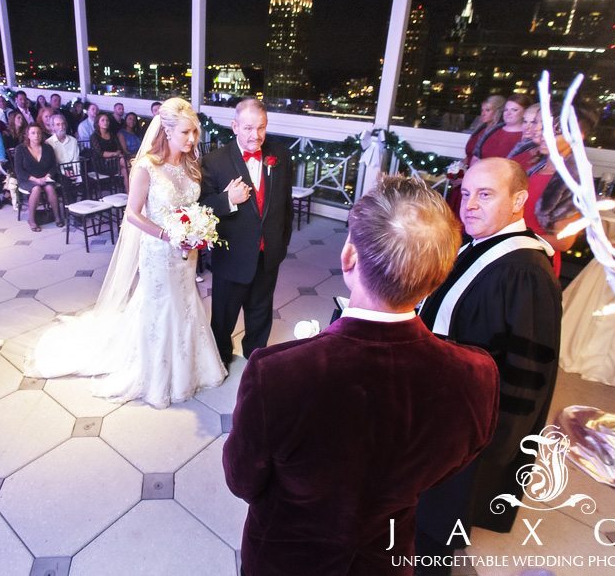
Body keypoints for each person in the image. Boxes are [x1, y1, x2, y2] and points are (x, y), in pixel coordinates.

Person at [223, 175, 500, 576]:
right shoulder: (476, 376)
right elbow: (451, 464)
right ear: (436, 279)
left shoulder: (276, 373)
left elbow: (243, 481)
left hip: (285, 558)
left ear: (349, 256)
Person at [26, 97, 227, 408]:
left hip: (185, 252)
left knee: (186, 303)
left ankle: (189, 368)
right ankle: (159, 376)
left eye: (194, 133)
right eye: (186, 132)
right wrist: (168, 234)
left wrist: (196, 230)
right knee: (161, 307)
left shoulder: (189, 163)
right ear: (167, 130)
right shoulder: (147, 165)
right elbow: (132, 214)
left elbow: (191, 206)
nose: (192, 139)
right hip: (158, 250)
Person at [415, 158, 562, 570]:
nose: (470, 205)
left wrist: (490, 448)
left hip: (470, 433)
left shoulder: (524, 272)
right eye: (466, 194)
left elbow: (525, 376)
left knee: (437, 528)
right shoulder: (480, 246)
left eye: (485, 194)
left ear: (519, 200)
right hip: (443, 415)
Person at [200, 98, 293, 366]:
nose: (256, 136)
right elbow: (201, 207)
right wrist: (228, 199)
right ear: (235, 126)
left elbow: (285, 204)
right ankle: (220, 362)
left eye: (261, 128)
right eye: (249, 128)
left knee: (260, 314)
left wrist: (280, 244)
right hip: (232, 257)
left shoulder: (280, 155)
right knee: (223, 318)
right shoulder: (214, 161)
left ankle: (256, 363)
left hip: (268, 254)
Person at [507, 103, 585, 275]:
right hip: (509, 255)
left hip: (531, 264)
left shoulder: (571, 180)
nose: (540, 134)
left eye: (554, 131)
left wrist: (511, 239)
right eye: (538, 125)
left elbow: (563, 241)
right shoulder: (537, 167)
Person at [14, 123, 63, 232]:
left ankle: (57, 217)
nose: (36, 135)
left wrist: (47, 177)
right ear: (28, 135)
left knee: (50, 188)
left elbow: (53, 166)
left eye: (39, 133)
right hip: (28, 179)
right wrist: (36, 180)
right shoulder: (20, 149)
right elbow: (19, 171)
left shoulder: (47, 148)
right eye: (33, 133)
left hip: (45, 177)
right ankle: (31, 220)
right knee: (36, 189)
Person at [469, 94, 532, 162]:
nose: (508, 113)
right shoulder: (492, 131)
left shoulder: (527, 137)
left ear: (525, 112)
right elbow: (475, 157)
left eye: (514, 110)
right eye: (506, 110)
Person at [90, 111, 130, 191]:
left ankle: (129, 193)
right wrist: (115, 154)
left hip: (115, 161)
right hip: (102, 164)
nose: (106, 122)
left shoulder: (112, 134)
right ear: (98, 122)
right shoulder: (94, 136)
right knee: (125, 163)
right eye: (103, 120)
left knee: (126, 171)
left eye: (107, 120)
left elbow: (118, 148)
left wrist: (117, 153)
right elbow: (100, 153)